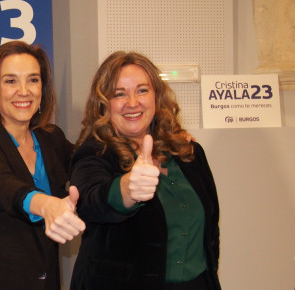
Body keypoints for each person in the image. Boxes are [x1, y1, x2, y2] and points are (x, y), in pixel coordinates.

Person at [69, 51, 221, 290]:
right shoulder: (94, 152)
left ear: (157, 96)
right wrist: (128, 189)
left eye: (142, 90)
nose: (132, 102)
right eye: (119, 94)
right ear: (104, 104)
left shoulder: (189, 152)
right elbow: (90, 200)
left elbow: (211, 230)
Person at [0, 41, 86, 290]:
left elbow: (88, 165)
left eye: (33, 80)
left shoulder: (52, 139)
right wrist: (47, 205)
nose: (24, 91)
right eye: (10, 81)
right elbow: (3, 188)